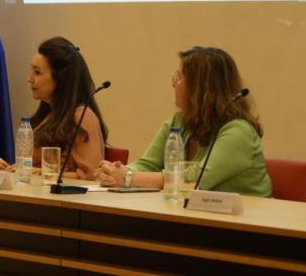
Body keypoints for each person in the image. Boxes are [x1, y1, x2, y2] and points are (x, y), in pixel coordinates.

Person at [96, 46, 272, 197]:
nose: (173, 83)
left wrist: (128, 178)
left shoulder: (239, 132)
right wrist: (115, 171)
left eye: (178, 77)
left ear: (200, 87)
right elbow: (148, 164)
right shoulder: (179, 121)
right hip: (199, 220)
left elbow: (194, 179)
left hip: (246, 227)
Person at [0, 36, 107, 179]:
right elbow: (35, 169)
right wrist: (16, 170)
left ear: (61, 79)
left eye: (37, 72)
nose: (30, 78)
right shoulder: (49, 114)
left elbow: (91, 176)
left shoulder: (82, 116)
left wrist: (41, 173)